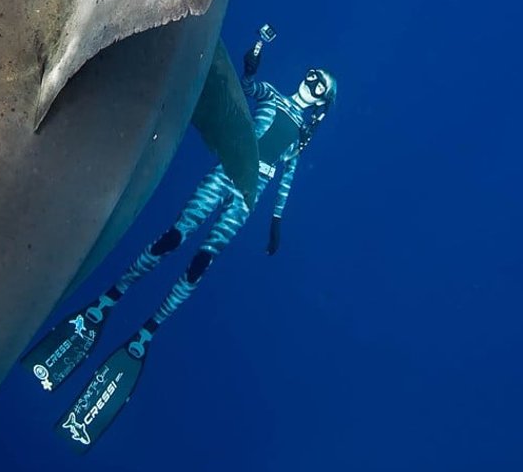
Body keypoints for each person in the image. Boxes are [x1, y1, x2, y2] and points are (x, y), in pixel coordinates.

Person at [21, 26, 337, 445]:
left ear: (321, 102)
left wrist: (276, 219)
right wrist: (257, 50)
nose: (310, 82)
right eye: (313, 75)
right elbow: (242, 88)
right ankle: (109, 300)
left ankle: (148, 329)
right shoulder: (273, 97)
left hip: (248, 194)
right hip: (227, 172)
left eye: (319, 85)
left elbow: (286, 180)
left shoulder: (298, 138)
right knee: (174, 236)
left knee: (200, 262)